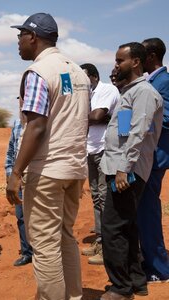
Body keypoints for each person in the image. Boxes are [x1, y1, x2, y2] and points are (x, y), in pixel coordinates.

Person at [7, 13, 90, 300]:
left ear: (33, 37)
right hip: (75, 169)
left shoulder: (39, 72)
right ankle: (73, 296)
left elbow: (37, 125)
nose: (18, 42)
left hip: (47, 171)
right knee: (65, 236)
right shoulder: (78, 71)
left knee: (44, 244)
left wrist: (16, 172)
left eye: (20, 36)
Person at [99, 42, 163, 300]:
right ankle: (136, 281)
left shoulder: (144, 93)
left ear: (135, 62)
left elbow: (137, 134)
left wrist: (123, 170)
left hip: (128, 172)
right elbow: (125, 133)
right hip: (120, 168)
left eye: (119, 61)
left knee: (112, 228)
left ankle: (120, 288)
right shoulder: (130, 92)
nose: (116, 66)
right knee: (127, 226)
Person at [80, 63, 119, 265]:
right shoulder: (86, 95)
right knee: (96, 197)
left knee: (104, 198)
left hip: (104, 149)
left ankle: (107, 249)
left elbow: (96, 116)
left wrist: (78, 118)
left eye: (84, 77)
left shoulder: (107, 90)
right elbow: (94, 118)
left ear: (94, 77)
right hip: (90, 150)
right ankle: (100, 241)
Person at [136, 37, 169, 283]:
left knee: (148, 210)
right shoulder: (147, 82)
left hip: (155, 157)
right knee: (140, 210)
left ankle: (158, 268)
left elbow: (165, 119)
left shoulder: (164, 81)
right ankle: (146, 258)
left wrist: (137, 127)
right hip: (141, 156)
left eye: (142, 53)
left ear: (152, 56)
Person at [5, 117, 33, 266]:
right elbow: (11, 150)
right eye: (20, 98)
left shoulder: (42, 121)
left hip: (36, 175)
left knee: (37, 216)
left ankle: (42, 253)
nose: (22, 101)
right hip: (19, 177)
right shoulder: (17, 123)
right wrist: (9, 173)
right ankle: (27, 252)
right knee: (21, 215)